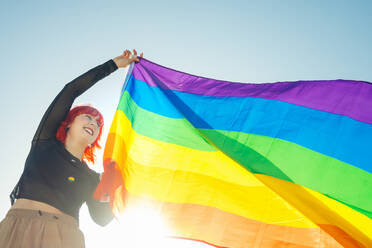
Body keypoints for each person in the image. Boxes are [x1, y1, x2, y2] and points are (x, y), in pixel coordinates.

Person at [0, 49, 143, 248]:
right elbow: (70, 90)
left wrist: (111, 183)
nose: (94, 123)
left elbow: (101, 219)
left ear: (94, 140)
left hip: (63, 239)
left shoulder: (92, 177)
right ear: (68, 123)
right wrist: (113, 65)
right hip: (18, 229)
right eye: (88, 117)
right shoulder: (44, 143)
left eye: (99, 124)